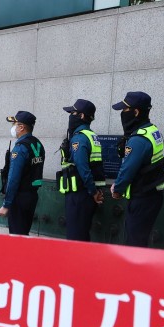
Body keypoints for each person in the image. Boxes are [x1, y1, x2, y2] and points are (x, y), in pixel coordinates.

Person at [109, 92, 164, 247]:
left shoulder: (139, 139)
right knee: (140, 239)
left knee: (135, 242)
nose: (122, 114)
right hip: (151, 194)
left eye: (125, 110)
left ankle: (134, 271)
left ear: (136, 112)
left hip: (142, 197)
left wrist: (118, 189)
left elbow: (128, 169)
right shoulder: (152, 131)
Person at [58, 99, 105, 241]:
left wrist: (93, 192)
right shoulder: (91, 135)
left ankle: (76, 263)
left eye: (73, 112)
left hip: (80, 194)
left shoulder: (80, 138)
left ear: (82, 116)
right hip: (85, 194)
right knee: (82, 234)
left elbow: (83, 168)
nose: (70, 116)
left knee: (75, 237)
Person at [0, 111, 45, 235]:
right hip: (32, 196)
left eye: (14, 124)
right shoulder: (37, 144)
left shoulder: (20, 148)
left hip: (19, 198)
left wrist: (6, 205)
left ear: (21, 127)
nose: (12, 128)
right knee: (23, 233)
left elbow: (13, 178)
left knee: (16, 236)